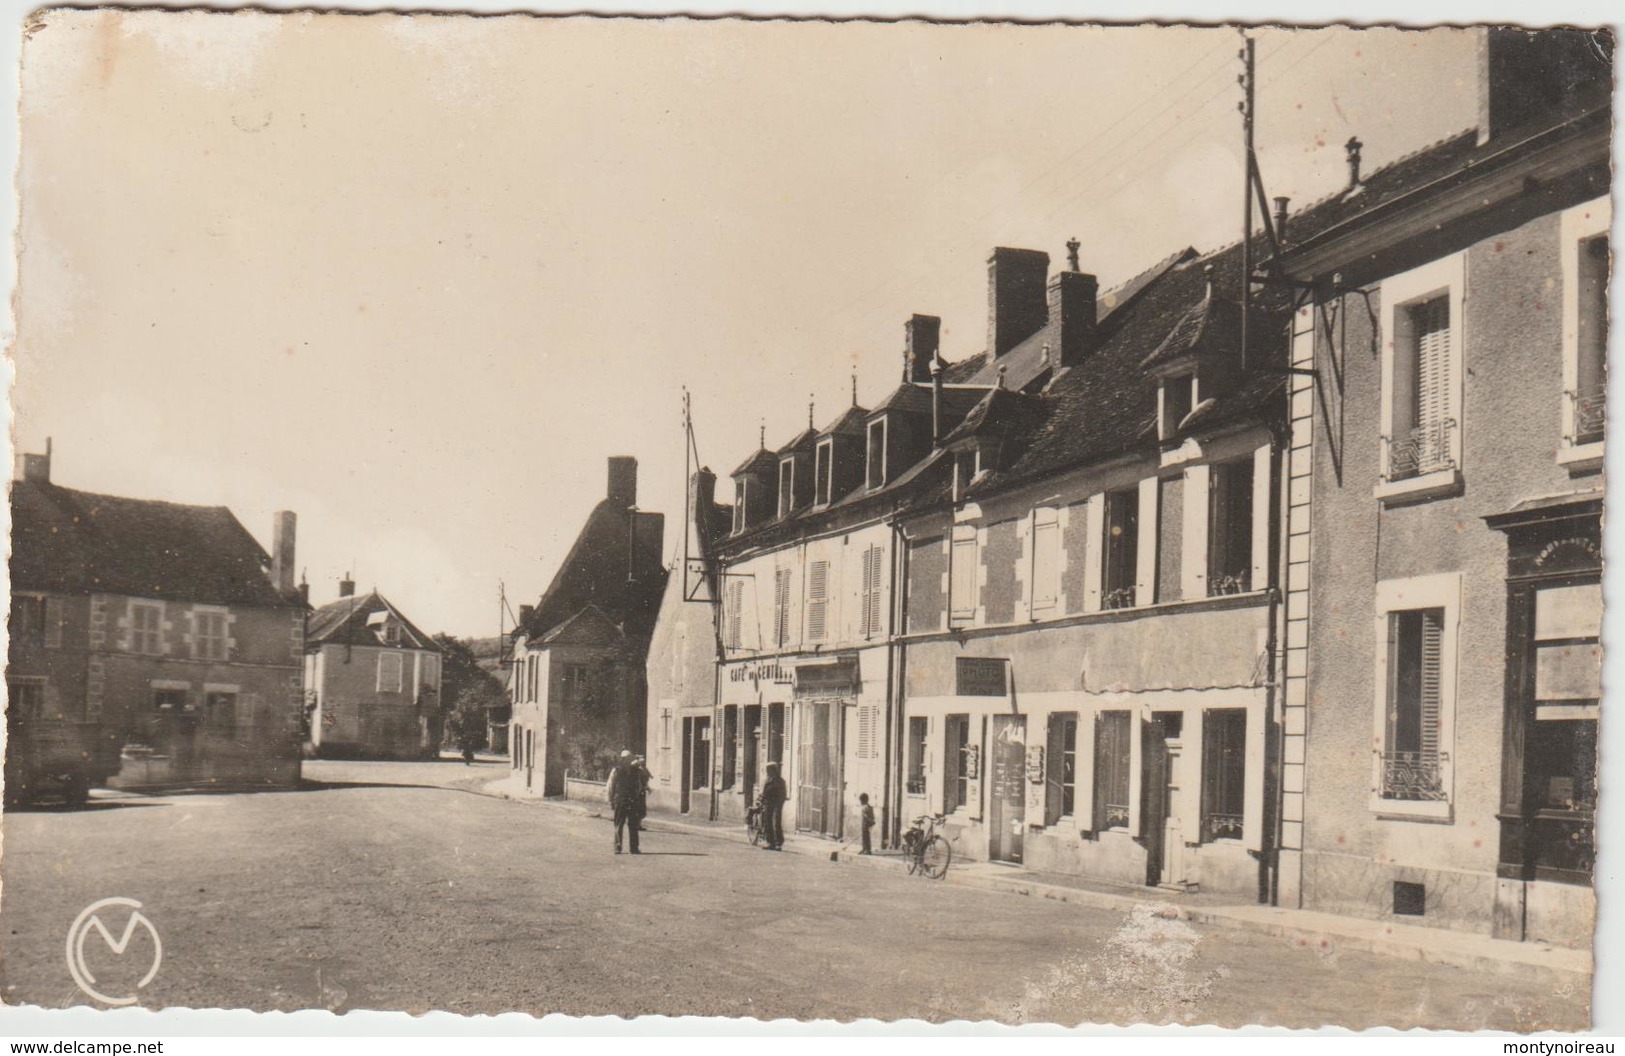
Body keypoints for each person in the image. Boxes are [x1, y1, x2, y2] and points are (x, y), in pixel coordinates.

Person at [605, 749, 642, 854]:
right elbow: (638, 786)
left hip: (623, 800)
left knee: (622, 824)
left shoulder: (618, 770)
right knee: (628, 824)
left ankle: (621, 847)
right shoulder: (634, 770)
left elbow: (610, 786)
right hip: (629, 800)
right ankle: (631, 848)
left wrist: (611, 799)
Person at [759, 761, 788, 851]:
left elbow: (783, 794)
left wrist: (780, 803)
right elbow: (764, 792)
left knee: (776, 822)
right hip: (768, 803)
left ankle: (778, 843)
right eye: (767, 770)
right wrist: (762, 799)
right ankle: (770, 842)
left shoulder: (780, 781)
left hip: (777, 803)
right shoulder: (767, 780)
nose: (768, 772)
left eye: (769, 770)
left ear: (774, 770)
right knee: (767, 822)